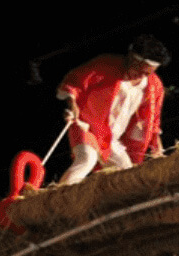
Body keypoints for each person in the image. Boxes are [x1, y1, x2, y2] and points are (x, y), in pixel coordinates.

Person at [58, 36, 169, 186]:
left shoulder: (154, 86)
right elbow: (74, 82)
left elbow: (153, 120)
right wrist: (72, 104)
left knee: (126, 172)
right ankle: (59, 196)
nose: (141, 76)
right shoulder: (105, 64)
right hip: (87, 125)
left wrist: (157, 146)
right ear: (131, 57)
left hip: (111, 138)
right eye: (138, 70)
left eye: (147, 73)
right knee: (87, 159)